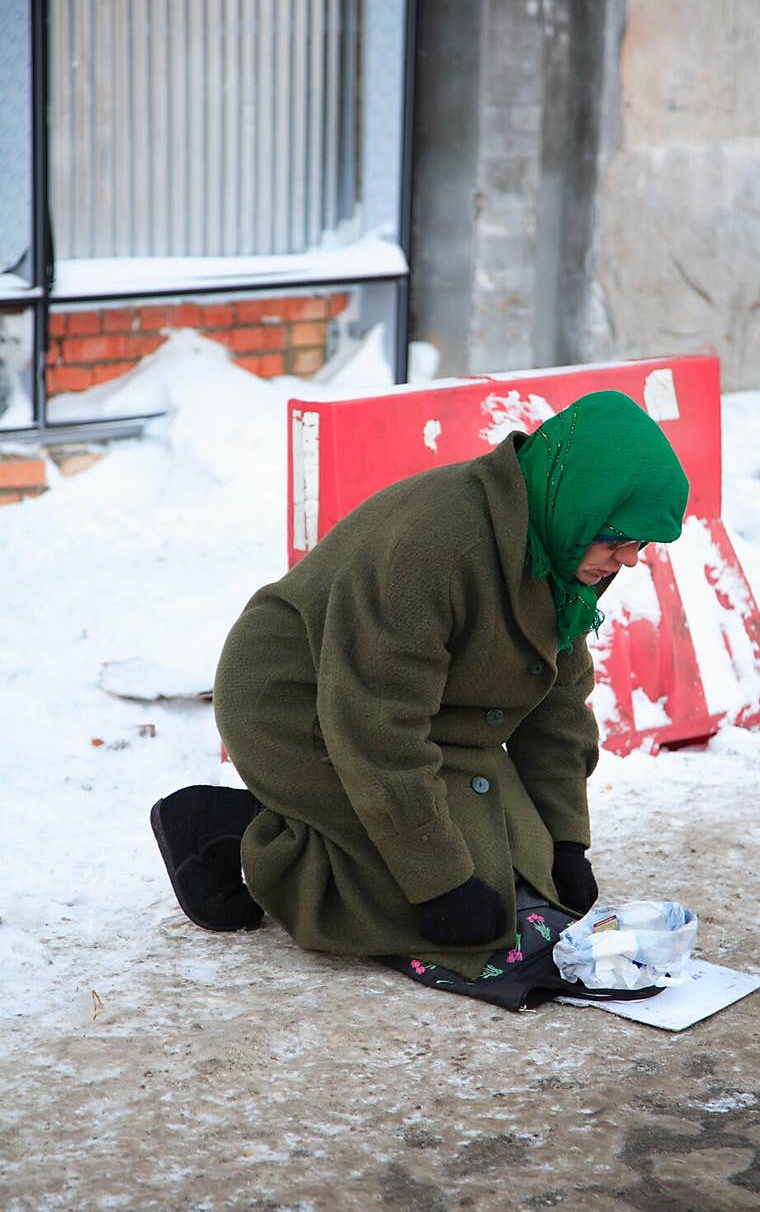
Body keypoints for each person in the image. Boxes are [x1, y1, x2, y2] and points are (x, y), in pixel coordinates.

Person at [151, 391, 689, 1011]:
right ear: (580, 500)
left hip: (429, 715)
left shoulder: (559, 544)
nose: (629, 558)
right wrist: (438, 882)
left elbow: (558, 704)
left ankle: (318, 825)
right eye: (618, 537)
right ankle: (233, 828)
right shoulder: (436, 546)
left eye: (641, 544)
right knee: (424, 897)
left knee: (528, 881)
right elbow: (376, 726)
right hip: (300, 705)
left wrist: (567, 839)